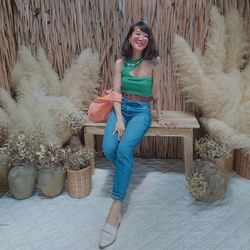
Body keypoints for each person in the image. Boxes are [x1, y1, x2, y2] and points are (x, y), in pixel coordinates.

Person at [99, 21, 177, 249]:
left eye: (145, 35)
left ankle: (115, 207)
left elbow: (156, 92)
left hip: (142, 111)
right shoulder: (119, 62)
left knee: (124, 150)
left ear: (149, 40)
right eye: (137, 33)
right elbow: (115, 94)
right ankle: (126, 168)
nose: (141, 37)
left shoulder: (154, 63)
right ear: (130, 37)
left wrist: (160, 117)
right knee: (108, 148)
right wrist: (120, 119)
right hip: (120, 109)